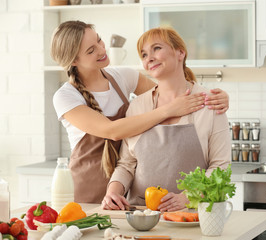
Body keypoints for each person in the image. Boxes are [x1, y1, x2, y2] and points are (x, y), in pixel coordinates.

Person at [51, 21, 229, 204]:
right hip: (90, 186)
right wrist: (170, 109)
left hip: (124, 193)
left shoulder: (123, 77)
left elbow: (169, 90)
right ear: (73, 61)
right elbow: (112, 131)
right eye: (91, 50)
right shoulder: (65, 96)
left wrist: (214, 97)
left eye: (99, 40)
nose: (101, 50)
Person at [102, 27, 231, 212]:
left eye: (156, 48)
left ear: (180, 52)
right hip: (142, 215)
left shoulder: (209, 103)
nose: (149, 58)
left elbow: (220, 167)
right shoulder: (138, 106)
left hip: (192, 215)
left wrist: (187, 197)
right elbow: (126, 165)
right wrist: (113, 192)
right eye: (144, 54)